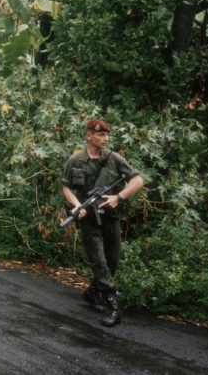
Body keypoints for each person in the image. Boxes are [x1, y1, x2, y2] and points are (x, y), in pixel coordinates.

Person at [62, 119, 144, 327]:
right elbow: (67, 188)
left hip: (110, 217)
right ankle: (113, 307)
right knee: (99, 262)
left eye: (107, 135)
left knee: (112, 261)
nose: (106, 139)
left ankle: (92, 293)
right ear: (89, 136)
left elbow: (138, 180)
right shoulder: (75, 161)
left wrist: (119, 197)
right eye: (100, 135)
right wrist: (76, 205)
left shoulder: (115, 159)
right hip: (89, 219)